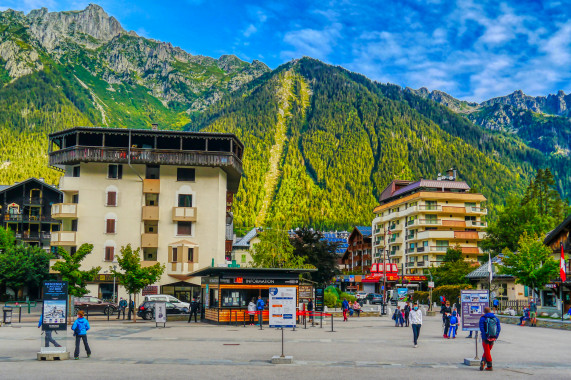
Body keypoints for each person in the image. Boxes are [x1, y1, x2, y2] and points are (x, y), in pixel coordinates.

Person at [479, 306, 501, 371]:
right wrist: (496, 336)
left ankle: (489, 366)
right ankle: (483, 362)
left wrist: (484, 335)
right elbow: (499, 328)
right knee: (487, 351)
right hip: (493, 337)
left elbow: (481, 328)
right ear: (490, 311)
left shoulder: (482, 318)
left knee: (487, 351)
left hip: (485, 337)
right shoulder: (495, 318)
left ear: (484, 311)